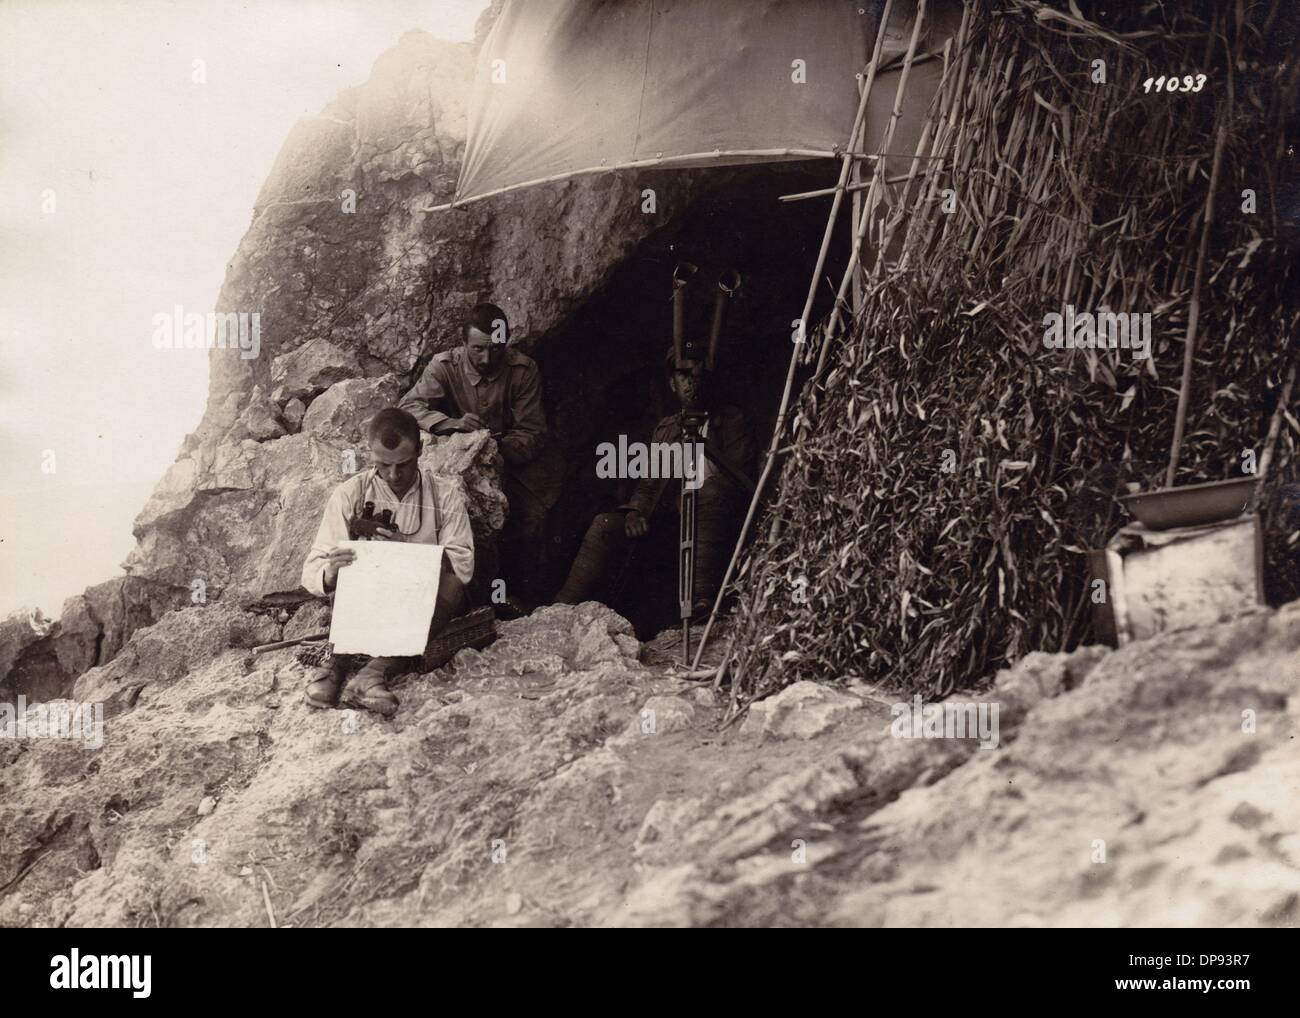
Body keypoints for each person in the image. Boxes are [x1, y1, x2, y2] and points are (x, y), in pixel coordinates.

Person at [300, 407, 474, 716]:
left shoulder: (445, 496)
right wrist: (330, 570)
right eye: (383, 465)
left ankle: (374, 673)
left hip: (416, 604)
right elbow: (313, 568)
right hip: (364, 604)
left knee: (452, 585)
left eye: (404, 465)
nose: (393, 476)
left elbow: (462, 564)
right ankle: (336, 666)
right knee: (348, 564)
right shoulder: (350, 494)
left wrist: (404, 552)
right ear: (370, 455)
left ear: (420, 450)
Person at [556, 352, 752, 620]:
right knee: (605, 524)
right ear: (672, 384)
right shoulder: (667, 428)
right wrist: (635, 512)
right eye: (683, 376)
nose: (691, 383)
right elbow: (648, 485)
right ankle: (560, 609)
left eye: (697, 374)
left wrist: (700, 455)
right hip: (669, 519)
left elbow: (736, 479)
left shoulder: (729, 420)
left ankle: (701, 605)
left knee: (708, 492)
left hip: (713, 519)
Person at [398, 302, 559, 611]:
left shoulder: (523, 370)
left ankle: (520, 600)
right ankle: (473, 603)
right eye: (478, 350)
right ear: (463, 344)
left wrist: (498, 449)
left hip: (511, 462)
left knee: (531, 522)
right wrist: (452, 424)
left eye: (496, 350)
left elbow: (533, 431)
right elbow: (409, 407)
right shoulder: (445, 366)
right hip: (463, 461)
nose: (487, 358)